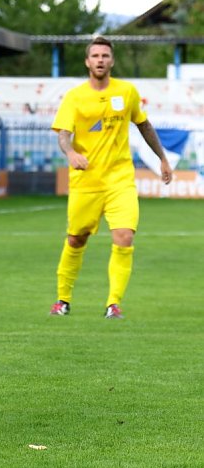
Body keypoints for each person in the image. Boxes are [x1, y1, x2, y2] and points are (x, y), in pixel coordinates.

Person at [49, 36, 172, 319]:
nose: (100, 60)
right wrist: (70, 154)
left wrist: (162, 158)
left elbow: (143, 125)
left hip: (120, 180)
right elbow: (64, 136)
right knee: (76, 239)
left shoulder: (127, 92)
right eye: (95, 56)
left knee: (124, 236)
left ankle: (113, 304)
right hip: (86, 181)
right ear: (87, 61)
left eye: (105, 55)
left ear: (112, 60)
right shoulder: (75, 96)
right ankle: (63, 299)